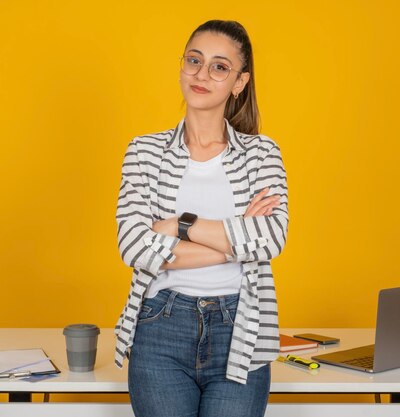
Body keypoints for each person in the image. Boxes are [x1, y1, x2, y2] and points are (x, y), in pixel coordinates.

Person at [114, 19, 289, 417]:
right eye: (194, 60)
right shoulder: (144, 152)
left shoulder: (262, 154)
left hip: (240, 327)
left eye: (219, 66)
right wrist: (235, 243)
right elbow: (135, 246)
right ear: (182, 66)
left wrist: (180, 226)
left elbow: (271, 238)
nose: (201, 74)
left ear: (240, 82)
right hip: (161, 325)